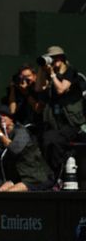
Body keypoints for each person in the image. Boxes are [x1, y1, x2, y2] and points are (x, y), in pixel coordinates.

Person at [34, 46, 84, 180]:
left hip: (71, 123)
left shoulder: (70, 72)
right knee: (44, 139)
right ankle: (48, 176)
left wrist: (52, 74)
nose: (52, 61)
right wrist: (41, 68)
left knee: (53, 140)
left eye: (55, 58)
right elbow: (39, 88)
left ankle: (56, 176)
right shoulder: (50, 75)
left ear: (62, 59)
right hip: (54, 123)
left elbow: (61, 89)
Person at [0, 106, 52, 192]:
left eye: (4, 115)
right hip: (17, 178)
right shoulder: (1, 136)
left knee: (10, 192)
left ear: (11, 119)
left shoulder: (21, 131)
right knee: (0, 191)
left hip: (34, 177)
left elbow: (14, 149)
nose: (1, 118)